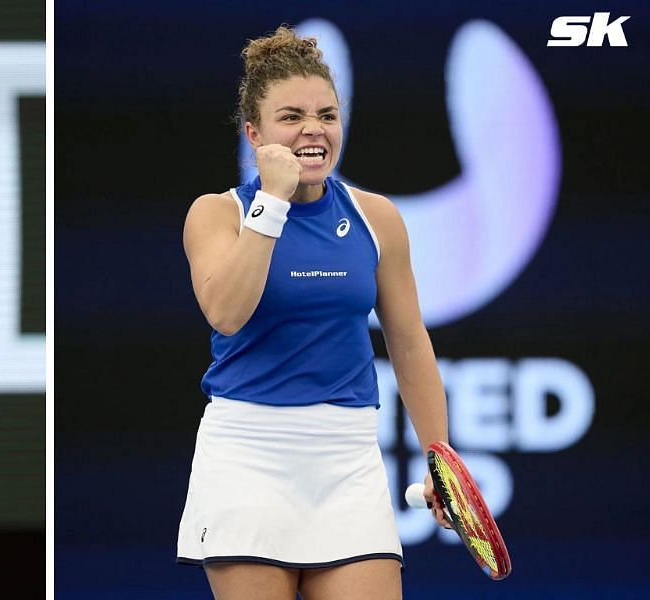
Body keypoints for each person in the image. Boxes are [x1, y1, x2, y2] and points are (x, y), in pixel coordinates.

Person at [175, 26, 453, 600]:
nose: (313, 129)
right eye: (291, 116)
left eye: (327, 115)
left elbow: (408, 342)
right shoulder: (215, 214)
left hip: (346, 459)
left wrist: (440, 459)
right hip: (246, 457)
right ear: (254, 134)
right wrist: (272, 203)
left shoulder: (378, 218)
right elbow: (226, 313)